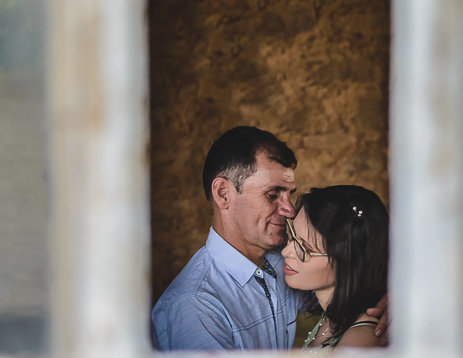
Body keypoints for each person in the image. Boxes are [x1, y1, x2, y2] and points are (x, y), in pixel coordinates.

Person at [151, 126, 389, 351]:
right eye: (273, 194)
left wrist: (396, 301)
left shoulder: (282, 264)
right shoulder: (195, 305)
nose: (289, 210)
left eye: (289, 194)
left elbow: (351, 276)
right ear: (224, 194)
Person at [282, 186, 388, 350]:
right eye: (292, 234)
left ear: (347, 263)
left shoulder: (360, 342)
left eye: (304, 248)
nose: (286, 251)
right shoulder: (331, 317)